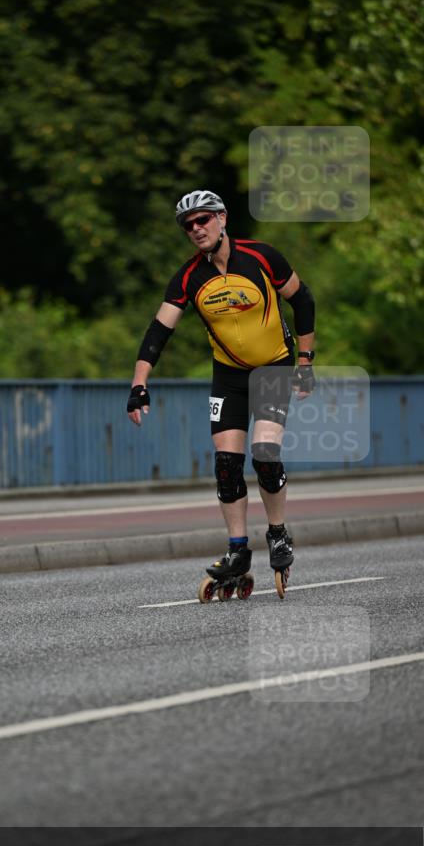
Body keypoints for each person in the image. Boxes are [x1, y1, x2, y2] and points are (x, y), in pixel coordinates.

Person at [126, 189, 316, 590]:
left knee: (264, 454)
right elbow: (160, 329)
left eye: (203, 220)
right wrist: (139, 382)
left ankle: (278, 533)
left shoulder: (262, 256)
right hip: (228, 376)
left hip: (273, 368)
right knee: (227, 466)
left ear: (223, 219)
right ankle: (237, 550)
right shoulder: (188, 277)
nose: (196, 229)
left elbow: (303, 300)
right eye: (188, 225)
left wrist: (305, 361)